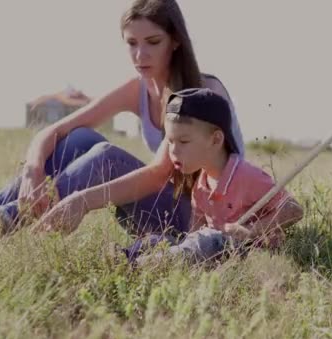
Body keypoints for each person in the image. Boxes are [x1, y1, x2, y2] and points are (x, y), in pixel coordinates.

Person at [0, 0, 245, 254]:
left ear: (176, 41)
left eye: (152, 42)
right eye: (131, 43)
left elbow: (158, 174)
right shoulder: (139, 88)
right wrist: (32, 172)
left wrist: (82, 200)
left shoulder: (201, 92)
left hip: (202, 221)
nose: (140, 54)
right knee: (79, 138)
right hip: (161, 205)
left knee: (105, 156)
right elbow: (54, 131)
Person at [122, 88, 304, 265]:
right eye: (170, 141)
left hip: (250, 253)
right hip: (215, 253)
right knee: (158, 240)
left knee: (207, 242)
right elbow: (194, 234)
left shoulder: (247, 176)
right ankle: (126, 258)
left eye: (183, 141)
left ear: (216, 140)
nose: (174, 151)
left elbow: (293, 209)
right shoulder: (200, 185)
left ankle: (144, 265)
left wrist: (250, 231)